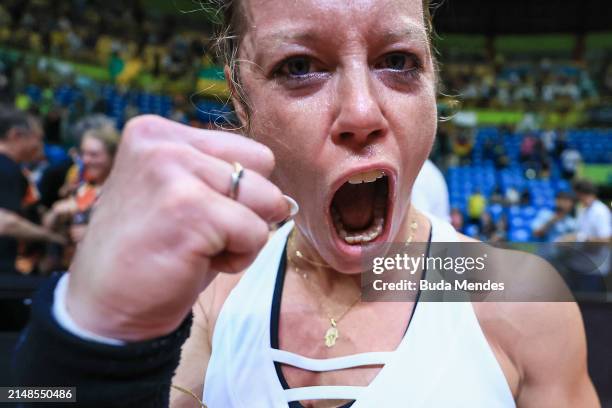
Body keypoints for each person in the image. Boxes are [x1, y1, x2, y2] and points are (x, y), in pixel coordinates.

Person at [12, 1, 598, 407]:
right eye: (299, 67)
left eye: (398, 61)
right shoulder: (217, 292)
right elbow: (29, 396)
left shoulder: (502, 289)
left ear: (433, 84)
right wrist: (85, 339)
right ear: (242, 104)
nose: (363, 113)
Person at [0, 105, 64, 274]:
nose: (40, 146)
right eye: (38, 138)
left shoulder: (15, 170)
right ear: (16, 135)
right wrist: (53, 237)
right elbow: (6, 223)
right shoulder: (5, 168)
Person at [43, 125, 119, 243]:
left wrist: (92, 233)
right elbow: (50, 228)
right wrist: (55, 213)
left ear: (113, 157)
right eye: (83, 153)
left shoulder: (122, 191)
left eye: (94, 155)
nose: (85, 160)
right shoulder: (81, 187)